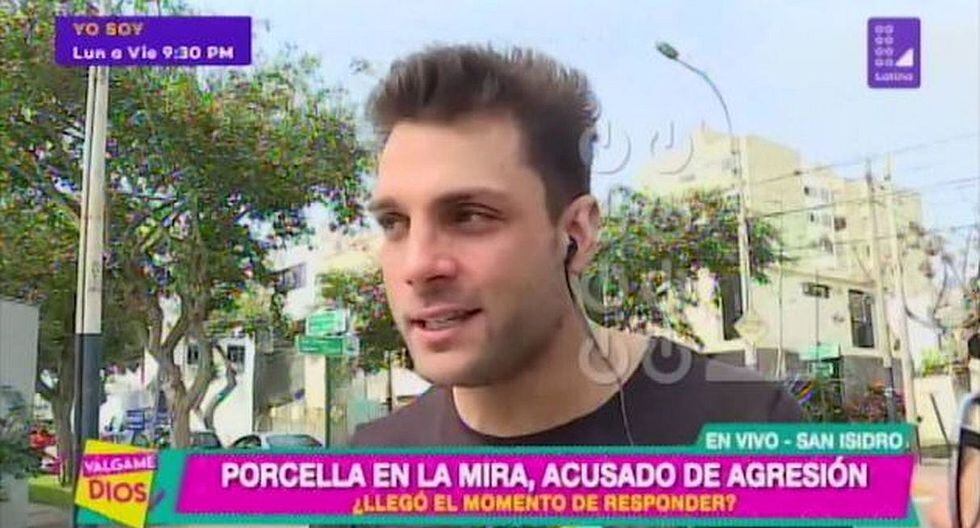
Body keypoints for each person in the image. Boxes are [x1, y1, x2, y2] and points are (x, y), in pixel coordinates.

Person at [353, 44, 801, 448]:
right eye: (394, 222)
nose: (418, 265)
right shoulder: (371, 466)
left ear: (577, 234)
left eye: (470, 217)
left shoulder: (752, 431)